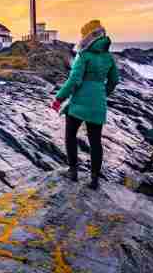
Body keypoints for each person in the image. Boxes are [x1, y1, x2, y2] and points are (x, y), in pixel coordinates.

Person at [51, 19, 119, 189]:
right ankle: (94, 180)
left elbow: (74, 80)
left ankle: (73, 172)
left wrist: (59, 98)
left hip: (79, 103)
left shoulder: (84, 55)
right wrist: (102, 94)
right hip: (98, 103)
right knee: (95, 141)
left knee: (70, 135)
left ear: (88, 36)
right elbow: (114, 81)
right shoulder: (109, 57)